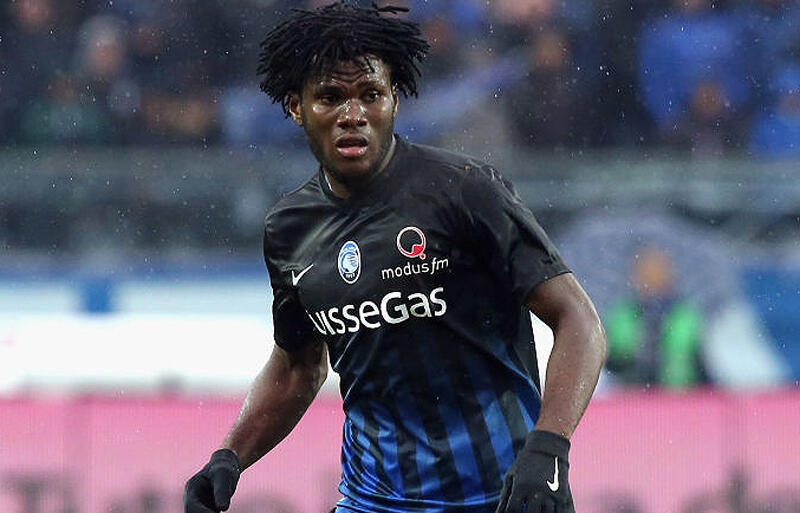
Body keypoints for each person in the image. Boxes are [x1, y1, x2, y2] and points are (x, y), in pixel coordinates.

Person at [183, 3, 606, 513]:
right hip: (373, 501)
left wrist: (550, 446)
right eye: (330, 97)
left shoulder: (465, 191)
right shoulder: (289, 230)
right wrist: (229, 456)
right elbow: (299, 366)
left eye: (371, 94)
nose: (353, 115)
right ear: (296, 107)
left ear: (394, 100)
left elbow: (578, 320)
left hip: (502, 496)